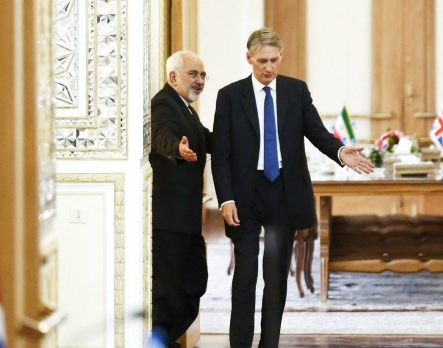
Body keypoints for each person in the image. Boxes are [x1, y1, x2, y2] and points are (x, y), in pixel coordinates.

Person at [211, 28, 374, 348]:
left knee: (275, 279)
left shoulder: (295, 91)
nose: (269, 67)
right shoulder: (229, 96)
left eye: (274, 60)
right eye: (262, 61)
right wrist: (225, 198)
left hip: (283, 194)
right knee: (245, 278)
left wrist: (341, 152)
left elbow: (316, 131)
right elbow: (221, 154)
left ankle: (268, 344)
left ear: (281, 57)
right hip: (245, 195)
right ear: (249, 59)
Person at [149, 50, 213, 348]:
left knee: (194, 280)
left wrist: (243, 139)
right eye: (194, 74)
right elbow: (161, 136)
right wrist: (177, 148)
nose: (200, 81)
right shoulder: (164, 102)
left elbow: (205, 138)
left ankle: (168, 337)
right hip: (170, 215)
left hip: (187, 216)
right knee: (168, 288)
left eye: (202, 75)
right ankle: (161, 341)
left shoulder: (186, 109)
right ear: (173, 77)